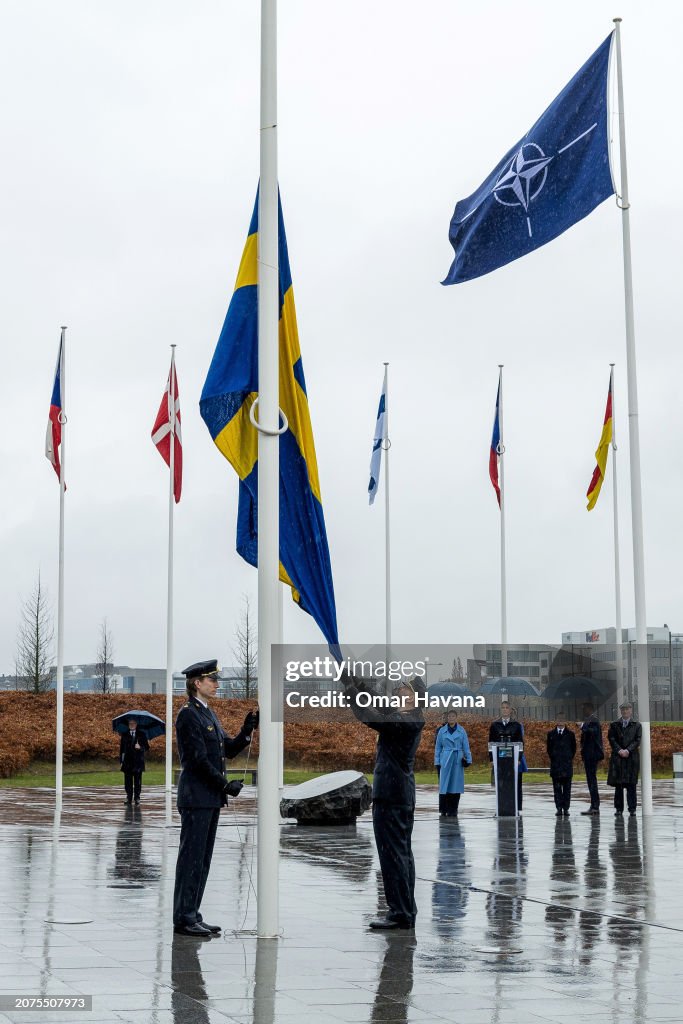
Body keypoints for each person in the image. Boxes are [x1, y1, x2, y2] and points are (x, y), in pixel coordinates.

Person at [172, 659, 259, 937]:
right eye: (212, 680)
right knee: (191, 859)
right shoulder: (189, 714)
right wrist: (224, 784)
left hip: (209, 798)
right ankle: (184, 917)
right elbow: (196, 761)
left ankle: (193, 913)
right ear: (197, 683)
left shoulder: (208, 714)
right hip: (197, 796)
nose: (217, 684)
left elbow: (228, 750)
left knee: (203, 859)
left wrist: (247, 731)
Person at [344, 674, 425, 930]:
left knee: (394, 856)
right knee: (400, 855)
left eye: (403, 688)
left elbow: (371, 717)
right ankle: (405, 909)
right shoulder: (405, 715)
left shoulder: (408, 721)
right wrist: (358, 685)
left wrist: (351, 696)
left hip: (393, 795)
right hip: (396, 794)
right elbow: (379, 703)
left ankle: (400, 913)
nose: (399, 690)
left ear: (413, 696)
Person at [607, 701, 642, 817]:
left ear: (631, 711)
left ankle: (632, 809)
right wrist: (619, 750)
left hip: (631, 759)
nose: (625, 711)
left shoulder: (637, 725)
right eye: (623, 710)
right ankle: (618, 809)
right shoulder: (614, 725)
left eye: (627, 709)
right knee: (619, 786)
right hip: (618, 759)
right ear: (621, 711)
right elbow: (611, 739)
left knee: (631, 786)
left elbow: (637, 740)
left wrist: (628, 750)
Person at [434, 711, 472, 816]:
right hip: (445, 759)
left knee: (456, 785)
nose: (451, 718)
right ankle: (443, 809)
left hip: (457, 759)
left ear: (456, 718)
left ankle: (453, 809)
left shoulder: (461, 730)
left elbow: (466, 746)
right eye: (449, 716)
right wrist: (437, 761)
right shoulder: (442, 731)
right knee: (444, 784)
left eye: (453, 716)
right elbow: (438, 747)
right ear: (447, 718)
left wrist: (468, 759)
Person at [488, 701, 524, 810]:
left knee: (513, 784)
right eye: (502, 707)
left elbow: (520, 743)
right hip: (499, 759)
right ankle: (501, 807)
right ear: (500, 709)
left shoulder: (516, 725)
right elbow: (491, 742)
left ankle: (515, 808)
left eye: (507, 707)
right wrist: (491, 759)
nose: (505, 709)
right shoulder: (494, 725)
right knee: (500, 784)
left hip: (512, 759)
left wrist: (519, 758)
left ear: (510, 710)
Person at [546, 712, 577, 816]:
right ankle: (559, 808)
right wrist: (555, 758)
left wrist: (567, 758)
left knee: (567, 789)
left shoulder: (570, 734)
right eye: (559, 719)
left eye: (562, 719)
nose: (560, 721)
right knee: (557, 789)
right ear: (556, 720)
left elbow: (573, 749)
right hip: (555, 765)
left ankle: (566, 808)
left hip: (567, 766)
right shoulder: (551, 734)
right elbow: (549, 749)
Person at [579, 703, 604, 815]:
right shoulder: (590, 720)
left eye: (584, 708)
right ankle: (594, 805)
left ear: (590, 709)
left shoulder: (594, 720)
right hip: (589, 755)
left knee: (592, 781)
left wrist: (582, 726)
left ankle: (595, 806)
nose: (583, 710)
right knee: (591, 781)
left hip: (592, 755)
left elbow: (592, 732)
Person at [119, 717, 149, 805]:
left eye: (133, 724)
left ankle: (137, 798)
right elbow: (121, 750)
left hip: (138, 762)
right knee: (128, 781)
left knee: (137, 781)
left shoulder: (141, 734)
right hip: (127, 762)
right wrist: (121, 761)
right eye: (130, 724)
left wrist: (140, 747)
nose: (131, 725)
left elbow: (147, 747)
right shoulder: (124, 735)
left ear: (136, 725)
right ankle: (129, 797)